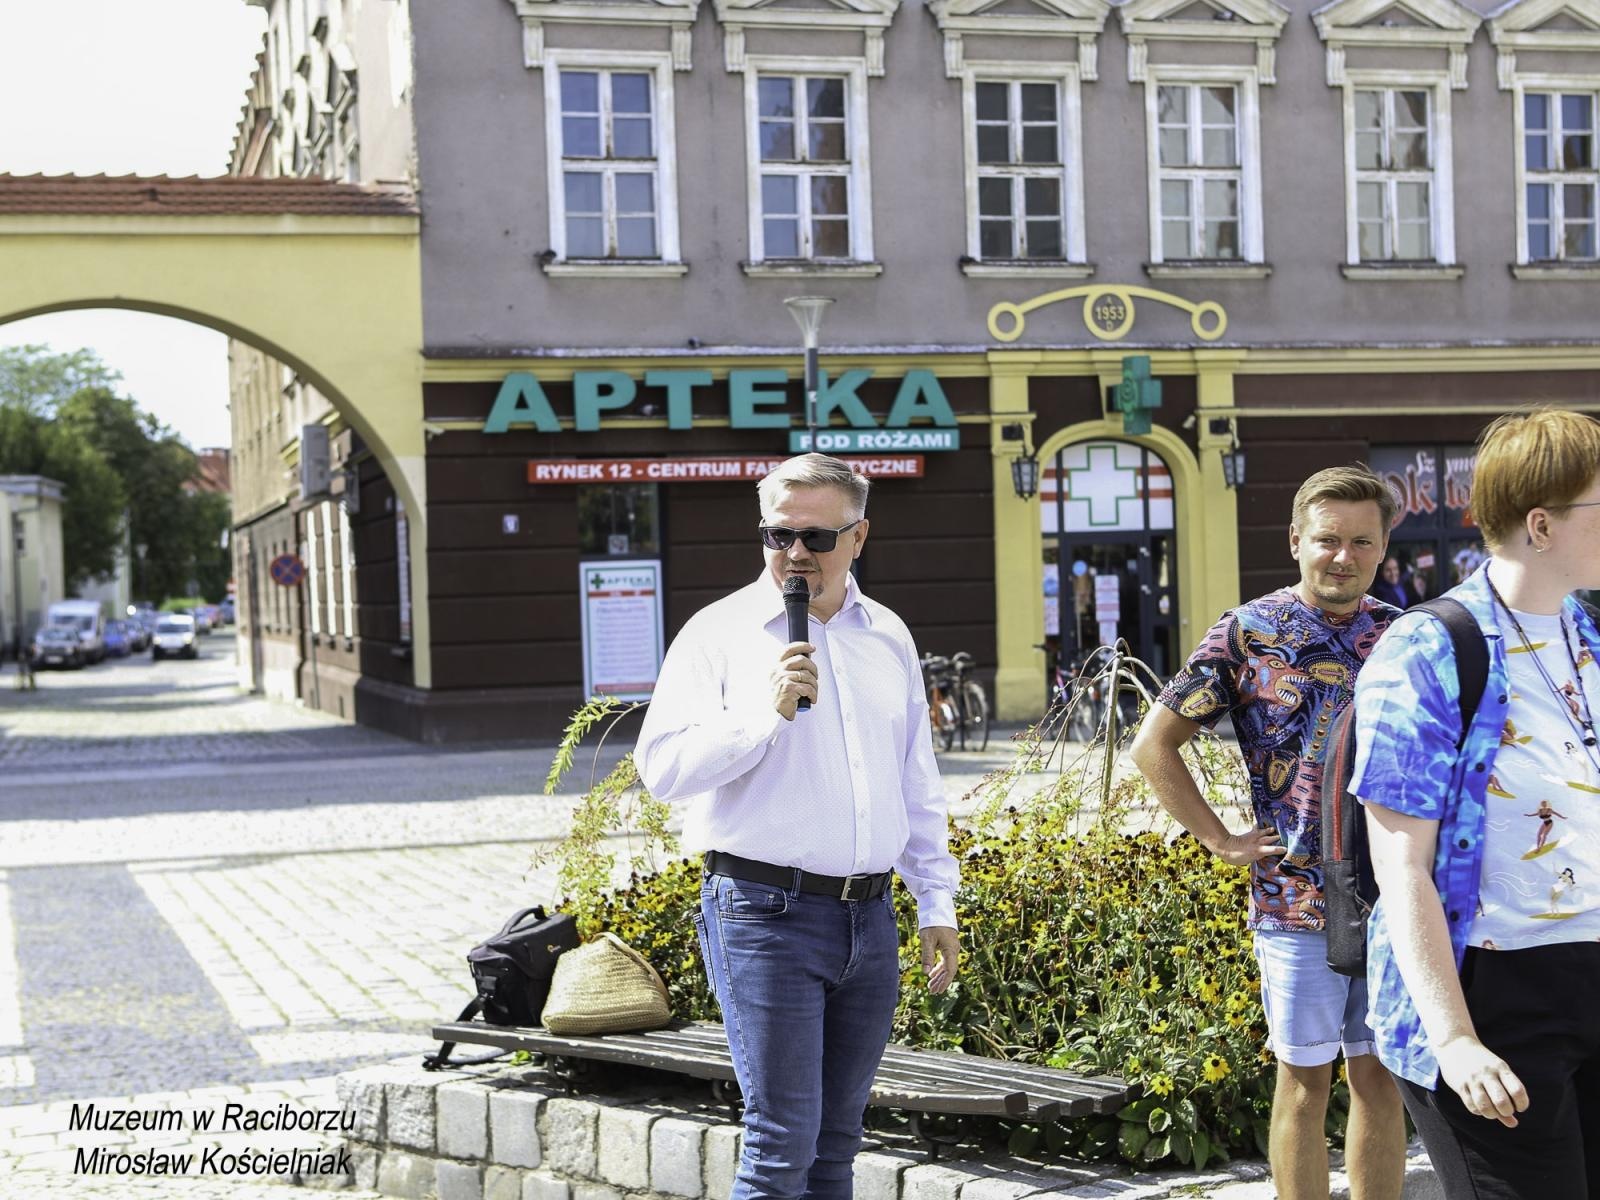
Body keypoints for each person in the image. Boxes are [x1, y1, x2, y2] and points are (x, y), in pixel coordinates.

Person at [634, 453, 960, 1200]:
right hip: (763, 914)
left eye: (817, 537)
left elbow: (915, 778)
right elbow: (662, 771)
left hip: (869, 918)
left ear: (859, 537)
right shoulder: (718, 633)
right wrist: (763, 714)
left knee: (837, 1146)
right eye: (778, 535)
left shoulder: (889, 635)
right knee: (781, 1146)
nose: (795, 554)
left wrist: (935, 899)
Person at [1129, 465, 1407, 1200]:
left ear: (1382, 550)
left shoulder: (1406, 636)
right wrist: (1221, 839)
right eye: (1326, 540)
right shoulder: (1250, 632)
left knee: (1383, 1077)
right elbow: (1153, 744)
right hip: (1294, 899)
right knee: (1304, 1080)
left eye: (1360, 542)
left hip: (1396, 898)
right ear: (1295, 541)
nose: (1341, 556)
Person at [1351, 408, 1600, 1199]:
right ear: (1541, 524)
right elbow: (1403, 868)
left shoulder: (1587, 633)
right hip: (1489, 994)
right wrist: (1454, 1039)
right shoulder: (1428, 649)